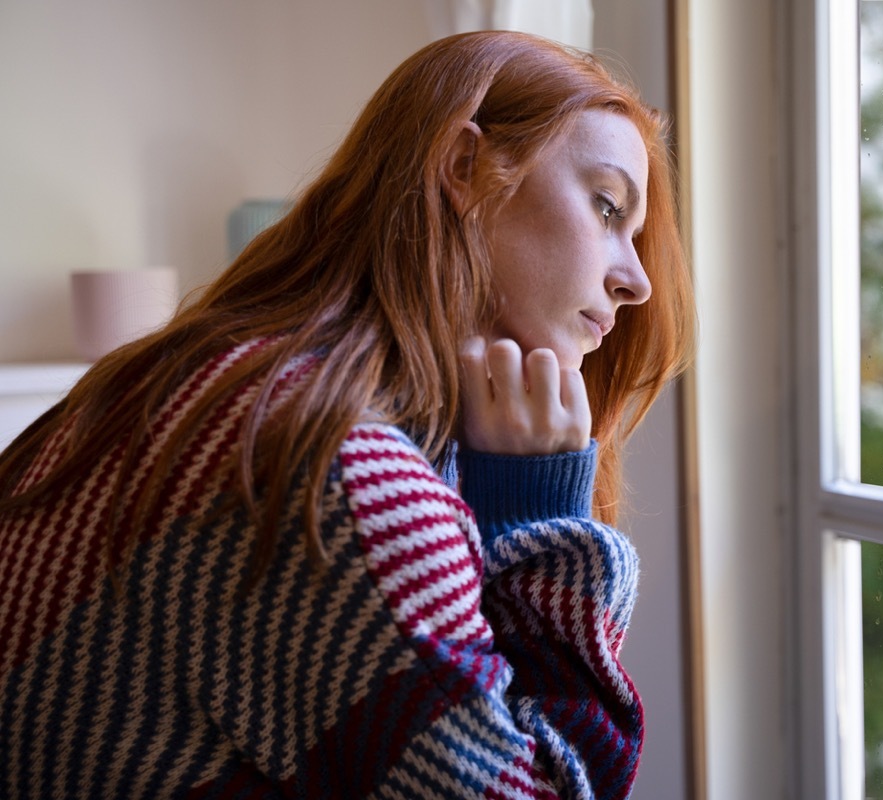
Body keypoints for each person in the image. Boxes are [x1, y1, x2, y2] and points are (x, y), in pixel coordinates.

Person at [0, 30, 694, 799]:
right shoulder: (345, 476)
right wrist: (546, 528)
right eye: (606, 207)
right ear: (464, 168)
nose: (638, 283)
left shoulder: (175, 384)